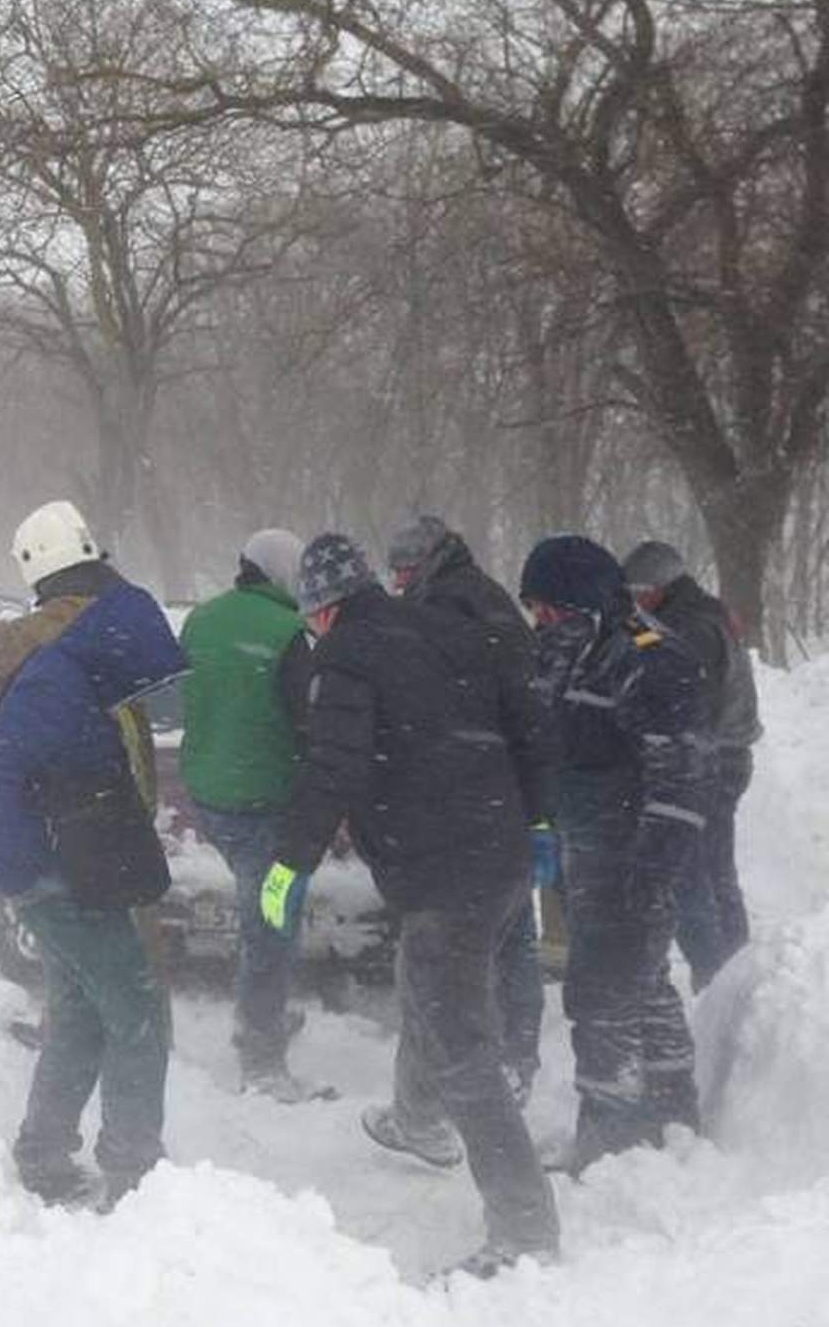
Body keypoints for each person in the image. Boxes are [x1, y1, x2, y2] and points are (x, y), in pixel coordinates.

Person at [261, 533, 560, 1277]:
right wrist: (539, 820)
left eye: (311, 616)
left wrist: (288, 864)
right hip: (499, 853)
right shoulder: (443, 626)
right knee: (425, 984)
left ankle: (524, 1226)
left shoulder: (344, 655)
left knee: (462, 1044)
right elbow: (523, 722)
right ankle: (415, 1119)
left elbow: (332, 768)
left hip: (444, 872)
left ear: (322, 609)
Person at [0, 500, 186, 1208]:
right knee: (136, 1013)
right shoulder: (64, 668)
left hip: (81, 864)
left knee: (82, 1014)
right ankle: (135, 1171)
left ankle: (43, 1153)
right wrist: (29, 874)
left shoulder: (82, 665)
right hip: (64, 873)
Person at [520, 537, 707, 1168]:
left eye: (548, 609)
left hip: (630, 857)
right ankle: (673, 1116)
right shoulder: (572, 652)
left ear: (584, 603)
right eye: (534, 609)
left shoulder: (647, 659)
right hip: (585, 847)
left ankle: (611, 1144)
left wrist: (653, 868)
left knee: (601, 995)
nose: (540, 621)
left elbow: (679, 776)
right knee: (643, 984)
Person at [386, 512, 550, 1108]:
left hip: (470, 805)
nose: (399, 582)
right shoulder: (488, 601)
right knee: (510, 938)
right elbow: (528, 715)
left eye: (406, 570)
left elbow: (497, 715)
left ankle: (457, 1089)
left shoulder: (444, 613)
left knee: (452, 961)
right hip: (504, 799)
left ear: (430, 561)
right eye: (394, 572)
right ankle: (513, 1061)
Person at [176, 528, 320, 1100]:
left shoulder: (201, 620)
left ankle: (266, 1012)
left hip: (208, 794)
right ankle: (261, 1053)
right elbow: (309, 723)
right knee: (271, 925)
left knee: (264, 913)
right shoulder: (289, 633)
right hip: (265, 802)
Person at [620, 541, 761, 990]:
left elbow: (681, 685)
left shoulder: (692, 626)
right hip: (725, 753)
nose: (637, 603)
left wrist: (629, 629)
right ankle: (736, 970)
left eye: (640, 593)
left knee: (698, 869)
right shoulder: (699, 613)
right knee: (714, 865)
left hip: (713, 757)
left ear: (662, 587)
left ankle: (721, 976)